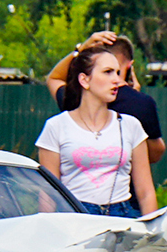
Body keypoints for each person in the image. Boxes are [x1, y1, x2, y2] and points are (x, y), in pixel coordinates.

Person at [36, 46, 158, 218]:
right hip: (75, 215)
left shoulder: (131, 125)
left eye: (117, 72)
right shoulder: (57, 126)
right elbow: (48, 193)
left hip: (121, 215)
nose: (116, 79)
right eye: (107, 72)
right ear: (84, 80)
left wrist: (151, 234)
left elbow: (145, 192)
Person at [46, 31, 165, 165]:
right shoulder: (142, 104)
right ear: (130, 65)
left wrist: (81, 50)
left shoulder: (77, 98)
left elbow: (54, 78)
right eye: (108, 71)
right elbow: (156, 153)